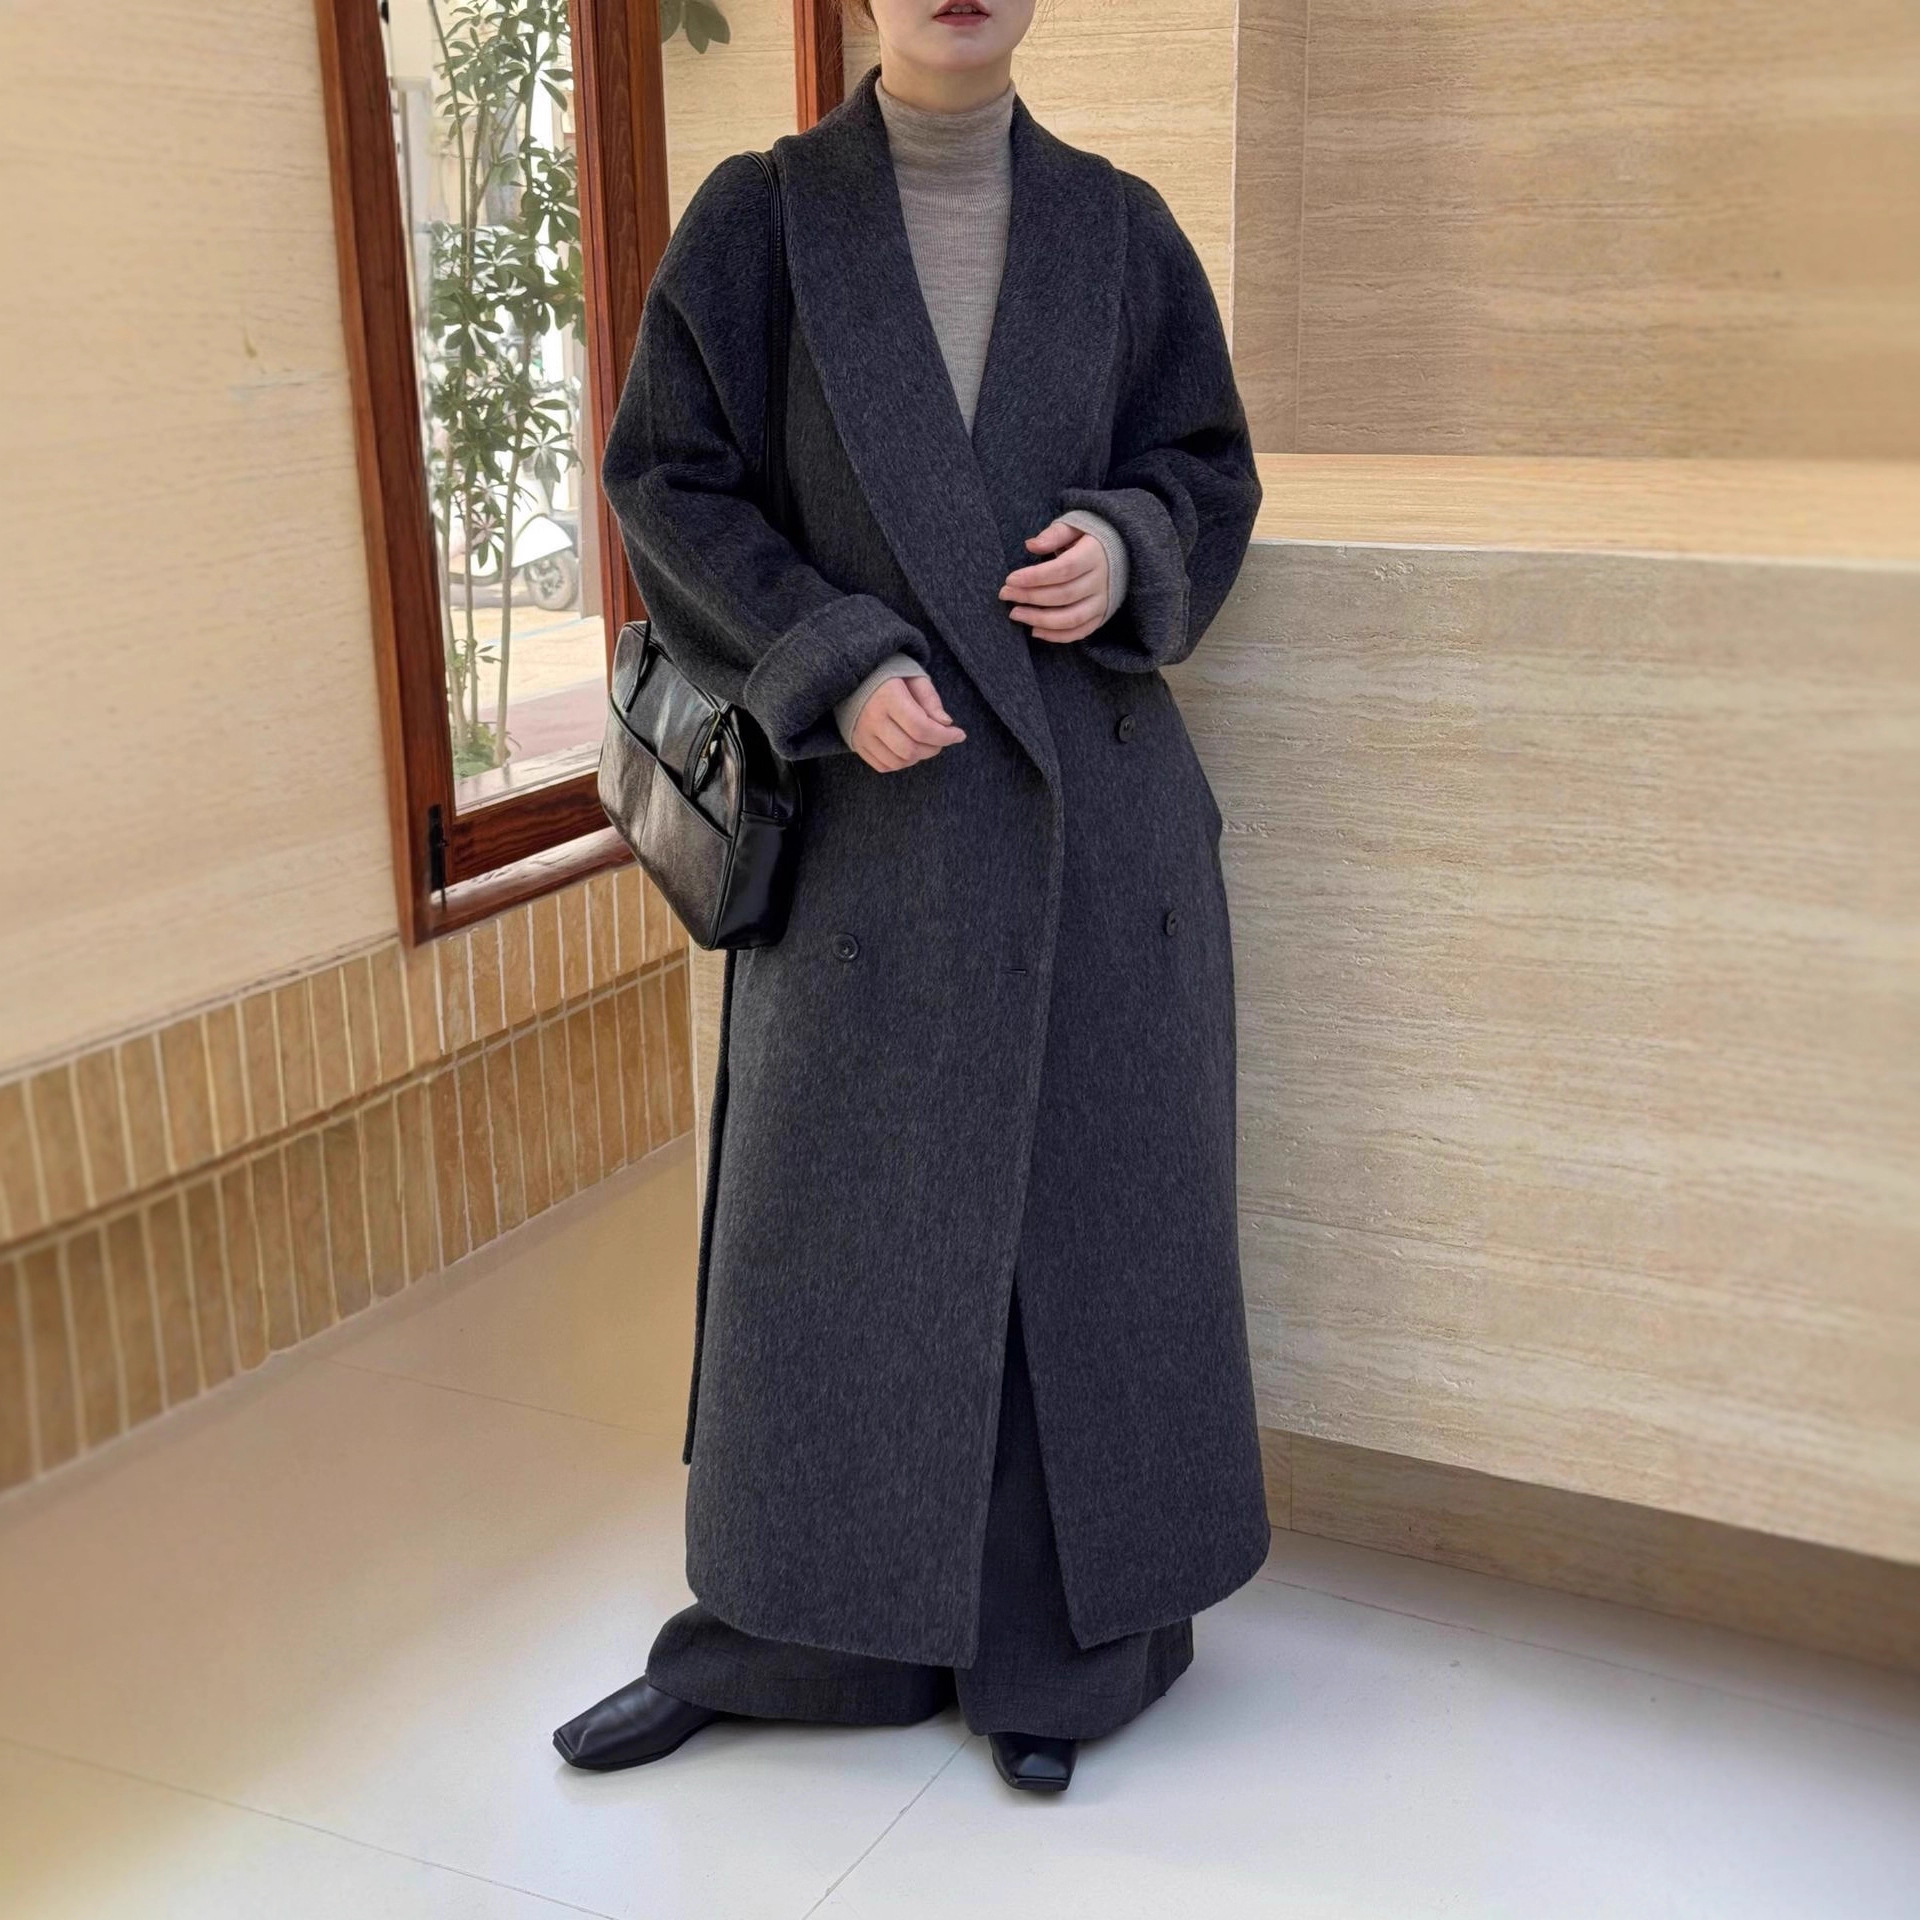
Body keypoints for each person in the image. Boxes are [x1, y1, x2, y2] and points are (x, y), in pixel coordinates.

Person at [555, 0, 1268, 1795]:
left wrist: (1129, 544)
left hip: (1095, 828)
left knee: (1077, 1238)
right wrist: (827, 653)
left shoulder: (1121, 228)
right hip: (869, 818)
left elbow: (1210, 468)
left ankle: (1059, 1653)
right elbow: (668, 482)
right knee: (838, 1231)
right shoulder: (762, 220)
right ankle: (795, 1631)